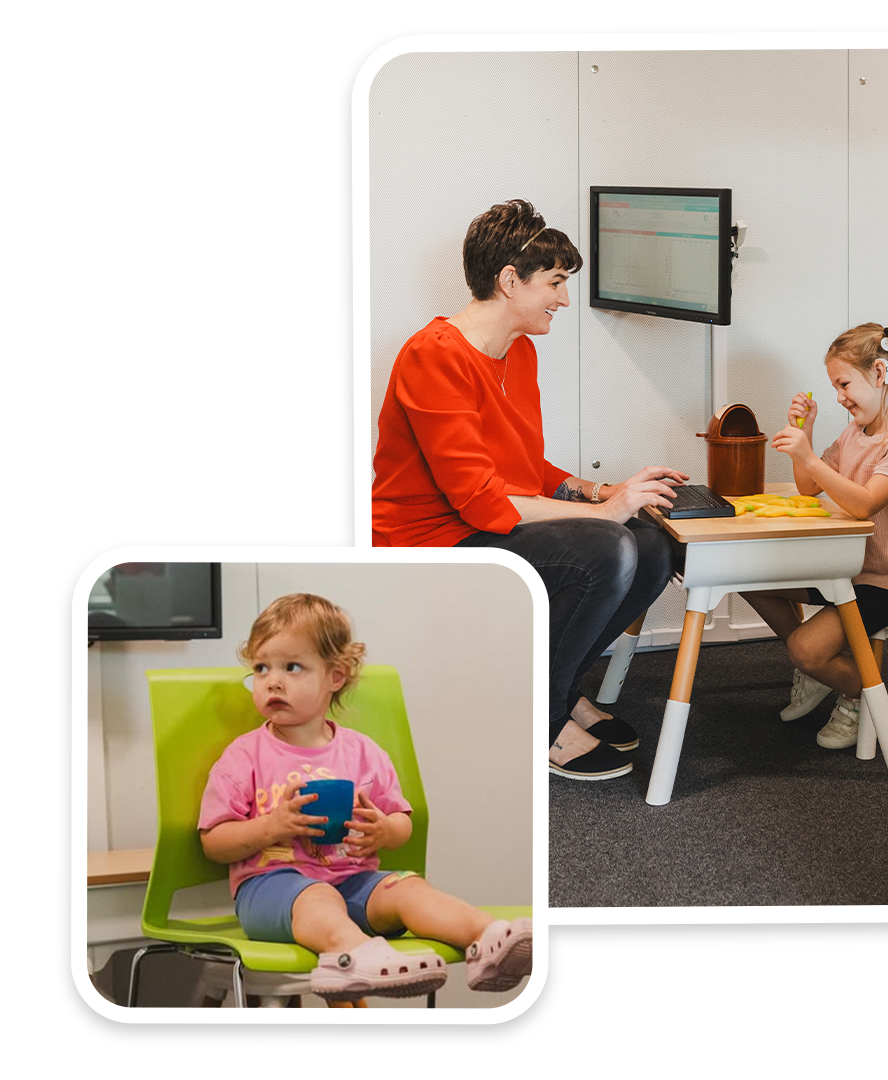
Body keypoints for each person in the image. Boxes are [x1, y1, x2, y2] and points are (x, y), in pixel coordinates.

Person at [371, 199, 688, 781]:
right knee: (609, 549)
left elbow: (521, 466)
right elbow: (479, 498)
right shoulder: (433, 355)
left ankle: (561, 693)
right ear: (509, 280)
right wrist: (608, 515)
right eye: (556, 283)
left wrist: (596, 491)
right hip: (433, 538)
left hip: (486, 523)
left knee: (652, 546)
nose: (564, 300)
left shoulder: (519, 352)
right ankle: (538, 719)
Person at [198, 593, 532, 1001]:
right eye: (261, 667)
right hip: (270, 891)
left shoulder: (363, 752)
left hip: (353, 882)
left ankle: (488, 941)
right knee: (316, 896)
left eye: (293, 667)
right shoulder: (244, 755)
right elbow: (213, 842)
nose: (273, 681)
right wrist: (272, 826)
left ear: (335, 676)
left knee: (408, 888)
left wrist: (382, 831)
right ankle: (351, 955)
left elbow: (401, 822)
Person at [740, 323, 888, 749]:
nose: (840, 396)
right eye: (835, 386)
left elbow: (864, 503)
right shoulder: (853, 433)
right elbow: (810, 487)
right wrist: (805, 435)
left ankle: (856, 691)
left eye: (845, 383)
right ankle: (819, 668)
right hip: (844, 567)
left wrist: (808, 454)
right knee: (750, 581)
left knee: (806, 650)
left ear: (880, 373)